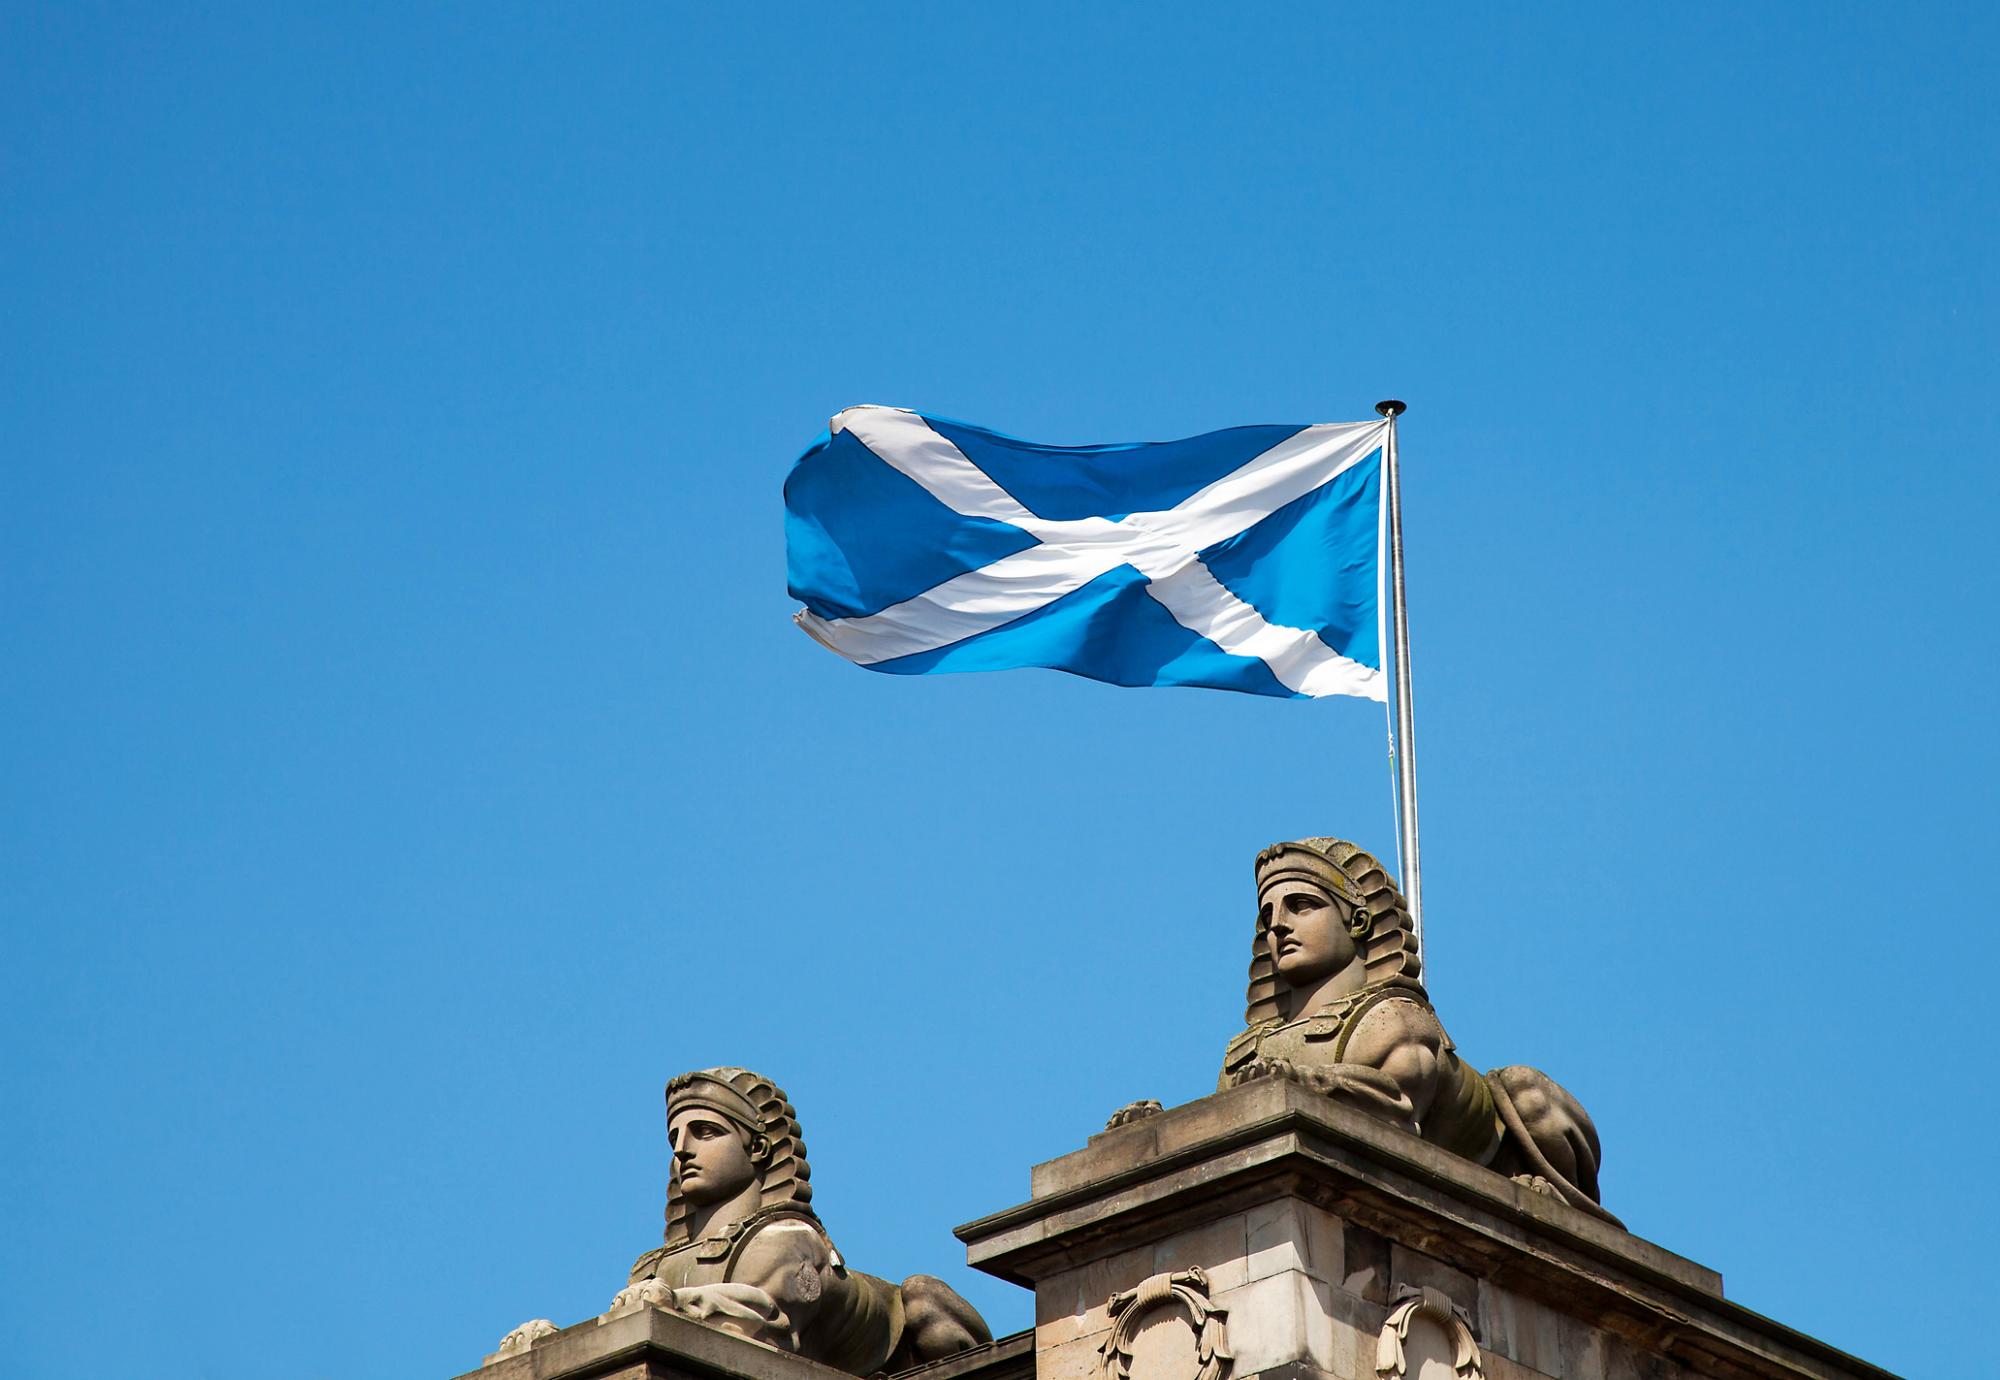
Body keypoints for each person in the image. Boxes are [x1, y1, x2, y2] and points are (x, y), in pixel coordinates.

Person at [1220, 839, 1620, 1227]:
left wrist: (1306, 1080)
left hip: (1498, 1152)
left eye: (1301, 906)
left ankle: (1568, 1201)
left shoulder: (1394, 1017)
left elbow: (1397, 1104)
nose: (1279, 926)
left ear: (1357, 921)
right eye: (1268, 914)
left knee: (1524, 1088)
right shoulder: (1247, 1051)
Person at [613, 1067, 991, 1373]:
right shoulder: (653, 1267)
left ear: (758, 1147)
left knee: (922, 1293)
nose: (682, 1150)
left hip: (897, 1353)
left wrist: (677, 1304)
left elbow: (767, 1317)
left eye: (705, 1132)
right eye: (675, 1138)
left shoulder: (787, 1239)